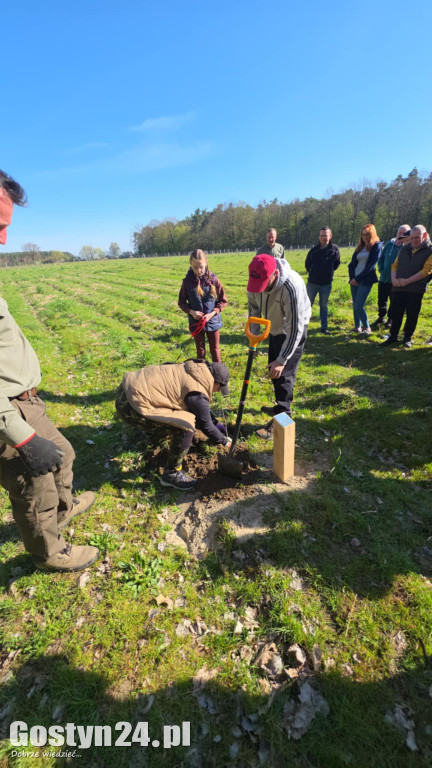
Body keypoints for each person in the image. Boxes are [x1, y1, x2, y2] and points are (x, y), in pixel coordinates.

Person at [0, 170, 98, 572]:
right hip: (8, 415)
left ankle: (62, 512)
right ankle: (48, 553)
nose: (4, 239)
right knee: (33, 484)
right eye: (0, 227)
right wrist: (21, 438)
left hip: (25, 400)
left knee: (64, 455)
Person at [115, 359, 232, 491]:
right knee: (185, 428)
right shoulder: (197, 393)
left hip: (127, 388)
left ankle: (153, 433)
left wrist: (219, 426)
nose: (217, 392)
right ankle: (171, 474)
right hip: (130, 407)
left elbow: (202, 412)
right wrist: (225, 441)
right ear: (214, 382)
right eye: (219, 388)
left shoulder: (195, 369)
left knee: (179, 412)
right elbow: (205, 425)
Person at [247, 254, 311, 439]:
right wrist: (255, 337)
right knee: (273, 371)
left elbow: (295, 328)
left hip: (292, 329)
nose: (260, 289)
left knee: (283, 374)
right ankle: (279, 406)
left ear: (275, 274)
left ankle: (282, 417)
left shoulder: (291, 286)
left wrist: (282, 360)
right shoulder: (255, 278)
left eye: (264, 285)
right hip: (273, 327)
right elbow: (254, 309)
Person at [381, 225, 432, 348]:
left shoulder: (430, 250)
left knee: (412, 314)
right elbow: (394, 265)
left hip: (415, 290)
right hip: (398, 287)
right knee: (395, 313)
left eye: (417, 238)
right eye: (412, 238)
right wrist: (394, 279)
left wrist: (407, 281)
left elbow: (427, 271)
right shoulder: (404, 249)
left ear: (424, 236)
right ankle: (393, 336)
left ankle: (407, 338)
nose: (413, 240)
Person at [178, 249, 228, 362]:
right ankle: (201, 377)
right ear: (190, 265)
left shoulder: (214, 280)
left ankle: (218, 378)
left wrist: (212, 314)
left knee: (215, 351)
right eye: (195, 267)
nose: (199, 270)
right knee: (200, 353)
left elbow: (223, 301)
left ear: (206, 262)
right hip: (196, 323)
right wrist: (191, 312)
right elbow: (181, 302)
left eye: (201, 266)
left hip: (213, 321)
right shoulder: (187, 282)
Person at [372, 224, 411, 328]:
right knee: (381, 300)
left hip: (396, 281)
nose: (401, 235)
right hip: (384, 278)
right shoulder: (389, 244)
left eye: (404, 233)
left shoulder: (407, 248)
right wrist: (381, 269)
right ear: (397, 233)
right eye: (400, 232)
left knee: (393, 302)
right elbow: (381, 258)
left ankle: (390, 319)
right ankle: (381, 317)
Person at [305, 226, 340, 334]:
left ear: (330, 236)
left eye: (325, 235)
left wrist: (328, 273)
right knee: (306, 304)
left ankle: (324, 327)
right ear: (319, 237)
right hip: (312, 283)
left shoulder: (334, 249)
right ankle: (302, 325)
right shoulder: (313, 250)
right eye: (321, 235)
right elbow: (307, 264)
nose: (323, 238)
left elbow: (337, 263)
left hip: (326, 283)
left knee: (323, 306)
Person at [348, 224, 382, 334]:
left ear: (372, 234)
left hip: (366, 280)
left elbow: (371, 266)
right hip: (354, 280)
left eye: (367, 234)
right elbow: (351, 265)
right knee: (355, 305)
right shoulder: (359, 248)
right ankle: (357, 327)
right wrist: (352, 278)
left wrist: (358, 278)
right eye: (363, 234)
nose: (364, 237)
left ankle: (367, 328)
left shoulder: (376, 246)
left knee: (359, 306)